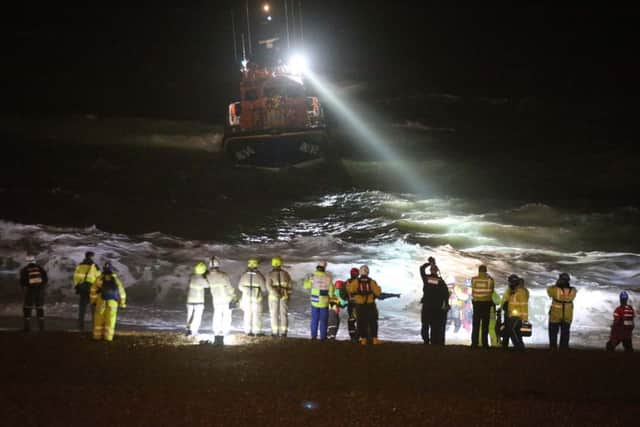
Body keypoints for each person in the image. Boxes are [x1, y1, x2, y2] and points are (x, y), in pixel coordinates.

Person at [90, 262, 126, 341]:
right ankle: (108, 338)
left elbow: (93, 290)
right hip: (113, 302)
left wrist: (93, 301)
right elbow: (121, 292)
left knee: (98, 320)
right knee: (110, 320)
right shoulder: (116, 279)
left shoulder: (99, 279)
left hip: (101, 301)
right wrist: (122, 303)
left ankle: (97, 337)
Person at [347, 265, 382, 345]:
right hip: (370, 304)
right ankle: (375, 339)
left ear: (360, 272)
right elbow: (378, 293)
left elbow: (350, 290)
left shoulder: (356, 281)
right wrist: (379, 288)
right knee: (373, 322)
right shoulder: (371, 281)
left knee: (360, 322)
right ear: (368, 272)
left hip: (359, 305)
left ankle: (363, 339)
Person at [419, 260, 450, 345]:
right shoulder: (440, 281)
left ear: (430, 270)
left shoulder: (426, 278)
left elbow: (421, 269)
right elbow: (446, 294)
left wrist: (429, 263)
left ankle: (425, 340)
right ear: (437, 271)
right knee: (434, 325)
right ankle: (433, 341)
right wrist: (446, 304)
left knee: (425, 324)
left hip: (427, 306)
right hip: (436, 307)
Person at [208, 256, 237, 345]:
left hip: (216, 300)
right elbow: (229, 288)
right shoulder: (223, 275)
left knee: (217, 316)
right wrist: (234, 297)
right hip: (226, 299)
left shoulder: (208, 276)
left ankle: (216, 335)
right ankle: (223, 335)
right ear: (218, 265)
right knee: (227, 317)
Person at [304, 260, 334, 340]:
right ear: (325, 267)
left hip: (314, 301)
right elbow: (331, 292)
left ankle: (313, 337)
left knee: (314, 320)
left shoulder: (313, 277)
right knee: (323, 321)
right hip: (324, 302)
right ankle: (323, 338)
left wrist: (306, 279)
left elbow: (306, 286)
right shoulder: (328, 278)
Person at [547, 272, 577, 349]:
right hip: (567, 315)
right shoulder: (573, 290)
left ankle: (553, 348)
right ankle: (564, 349)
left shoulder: (555, 289)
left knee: (553, 333)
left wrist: (556, 284)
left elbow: (549, 291)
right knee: (565, 333)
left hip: (555, 315)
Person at [238, 257, 267, 336]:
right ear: (256, 265)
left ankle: (248, 332)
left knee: (247, 315)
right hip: (256, 299)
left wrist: (246, 290)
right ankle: (257, 332)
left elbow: (240, 287)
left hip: (246, 299)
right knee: (256, 315)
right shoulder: (259, 276)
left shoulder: (244, 275)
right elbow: (264, 289)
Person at [73, 251, 101, 331]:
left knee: (82, 308)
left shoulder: (80, 265)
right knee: (93, 308)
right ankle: (94, 325)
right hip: (92, 288)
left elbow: (75, 277)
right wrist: (99, 289)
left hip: (82, 288)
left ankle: (80, 325)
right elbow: (99, 278)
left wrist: (77, 286)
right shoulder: (95, 266)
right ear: (92, 257)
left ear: (85, 256)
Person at [19, 256, 48, 332]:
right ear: (34, 261)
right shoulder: (40, 268)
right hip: (40, 291)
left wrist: (25, 288)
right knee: (39, 307)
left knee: (27, 307)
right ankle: (41, 326)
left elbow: (22, 281)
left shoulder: (25, 269)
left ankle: (27, 326)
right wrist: (42, 287)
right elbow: (45, 279)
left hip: (30, 291)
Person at [266, 256, 293, 338]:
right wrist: (288, 295)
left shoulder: (269, 274)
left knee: (274, 314)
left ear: (272, 264)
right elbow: (290, 286)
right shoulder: (286, 274)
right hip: (284, 296)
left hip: (274, 296)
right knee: (283, 314)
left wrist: (275, 293)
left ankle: (275, 332)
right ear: (280, 264)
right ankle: (284, 332)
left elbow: (268, 287)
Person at [470, 265, 495, 348]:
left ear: (479, 271)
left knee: (476, 325)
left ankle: (474, 343)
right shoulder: (490, 280)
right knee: (485, 325)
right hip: (486, 304)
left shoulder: (474, 279)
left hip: (476, 304)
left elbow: (473, 288)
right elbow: (492, 291)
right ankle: (485, 344)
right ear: (486, 271)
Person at [501, 275, 529, 350]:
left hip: (517, 316)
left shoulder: (521, 292)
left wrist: (524, 318)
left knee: (511, 330)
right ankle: (520, 347)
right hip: (511, 315)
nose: (509, 283)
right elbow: (507, 301)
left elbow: (524, 305)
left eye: (510, 282)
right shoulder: (512, 291)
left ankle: (518, 347)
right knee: (516, 331)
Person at [185, 261, 210, 337]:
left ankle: (188, 330)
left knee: (189, 316)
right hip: (198, 301)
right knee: (197, 317)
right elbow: (208, 285)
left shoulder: (192, 277)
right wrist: (206, 277)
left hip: (189, 300)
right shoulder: (202, 279)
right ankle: (194, 332)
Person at [345, 267, 360, 341]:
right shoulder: (359, 282)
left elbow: (343, 293)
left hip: (350, 304)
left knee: (351, 320)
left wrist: (346, 299)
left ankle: (352, 336)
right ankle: (357, 336)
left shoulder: (347, 282)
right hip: (358, 304)